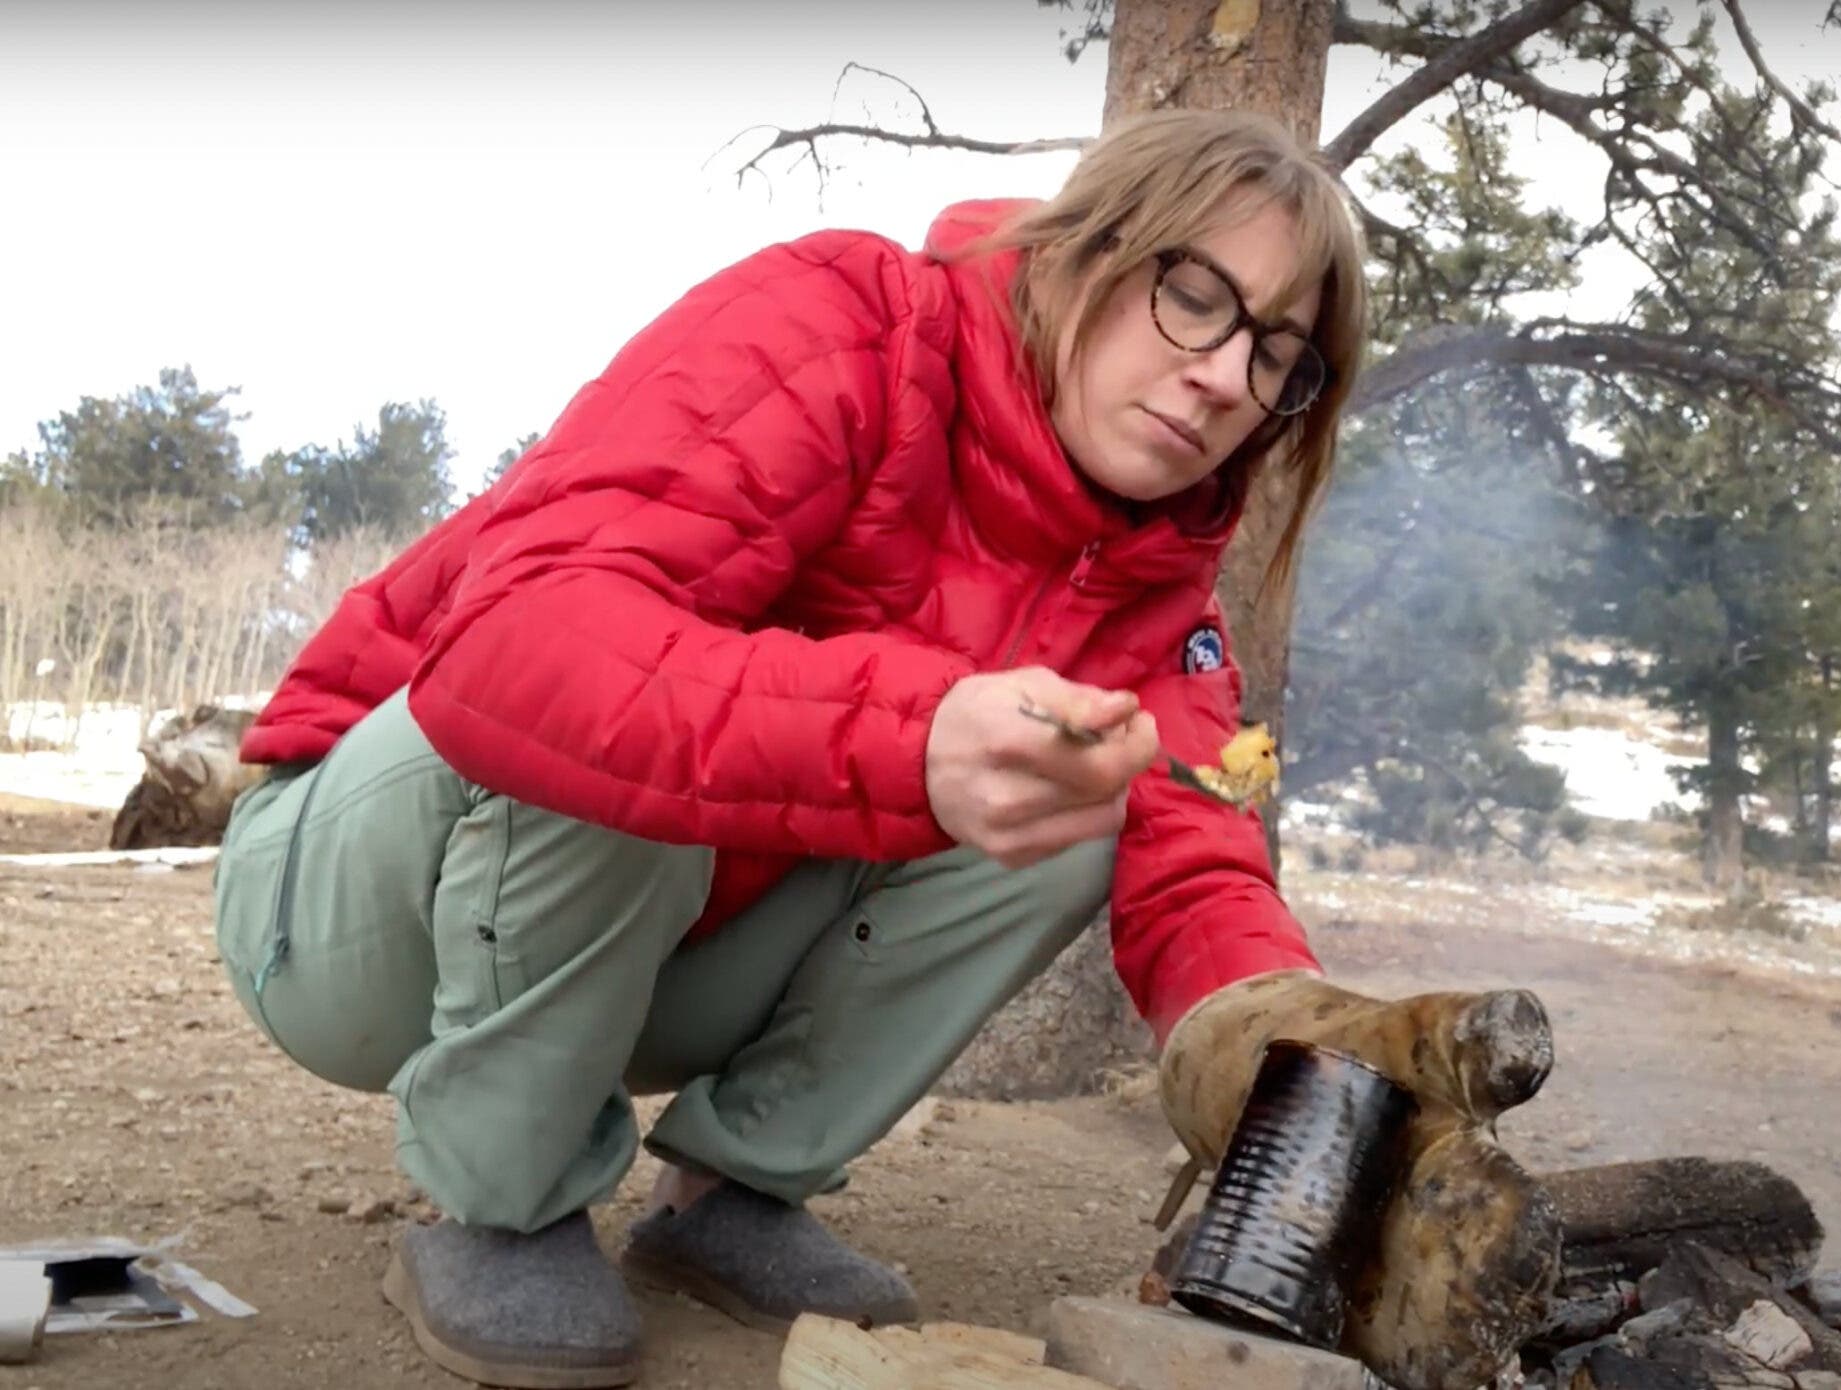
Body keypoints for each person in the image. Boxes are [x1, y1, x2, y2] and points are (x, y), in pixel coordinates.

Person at [211, 108, 1557, 1390]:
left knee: (1089, 794)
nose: (1223, 378)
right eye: (1195, 294)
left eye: (1279, 356)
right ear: (1083, 244)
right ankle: (500, 1205)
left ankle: (731, 1189)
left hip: (639, 956)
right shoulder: (843, 321)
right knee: (631, 695)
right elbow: (522, 644)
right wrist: (910, 734)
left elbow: (1198, 870)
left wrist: (1321, 1079)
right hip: (351, 912)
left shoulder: (1163, 594)